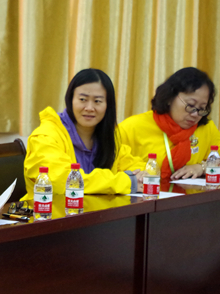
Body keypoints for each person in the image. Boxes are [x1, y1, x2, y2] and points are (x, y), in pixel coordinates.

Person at [24, 68, 145, 199]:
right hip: (49, 210)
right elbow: (64, 181)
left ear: (108, 106)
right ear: (70, 99)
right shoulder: (45, 136)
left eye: (97, 101)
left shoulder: (107, 138)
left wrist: (143, 176)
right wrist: (125, 182)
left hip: (96, 210)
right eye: (82, 99)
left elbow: (136, 167)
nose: (89, 108)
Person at [119, 67, 220, 181]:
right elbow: (109, 165)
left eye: (202, 108)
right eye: (191, 105)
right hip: (147, 191)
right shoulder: (132, 127)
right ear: (169, 98)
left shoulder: (207, 129)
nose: (195, 114)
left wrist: (203, 167)